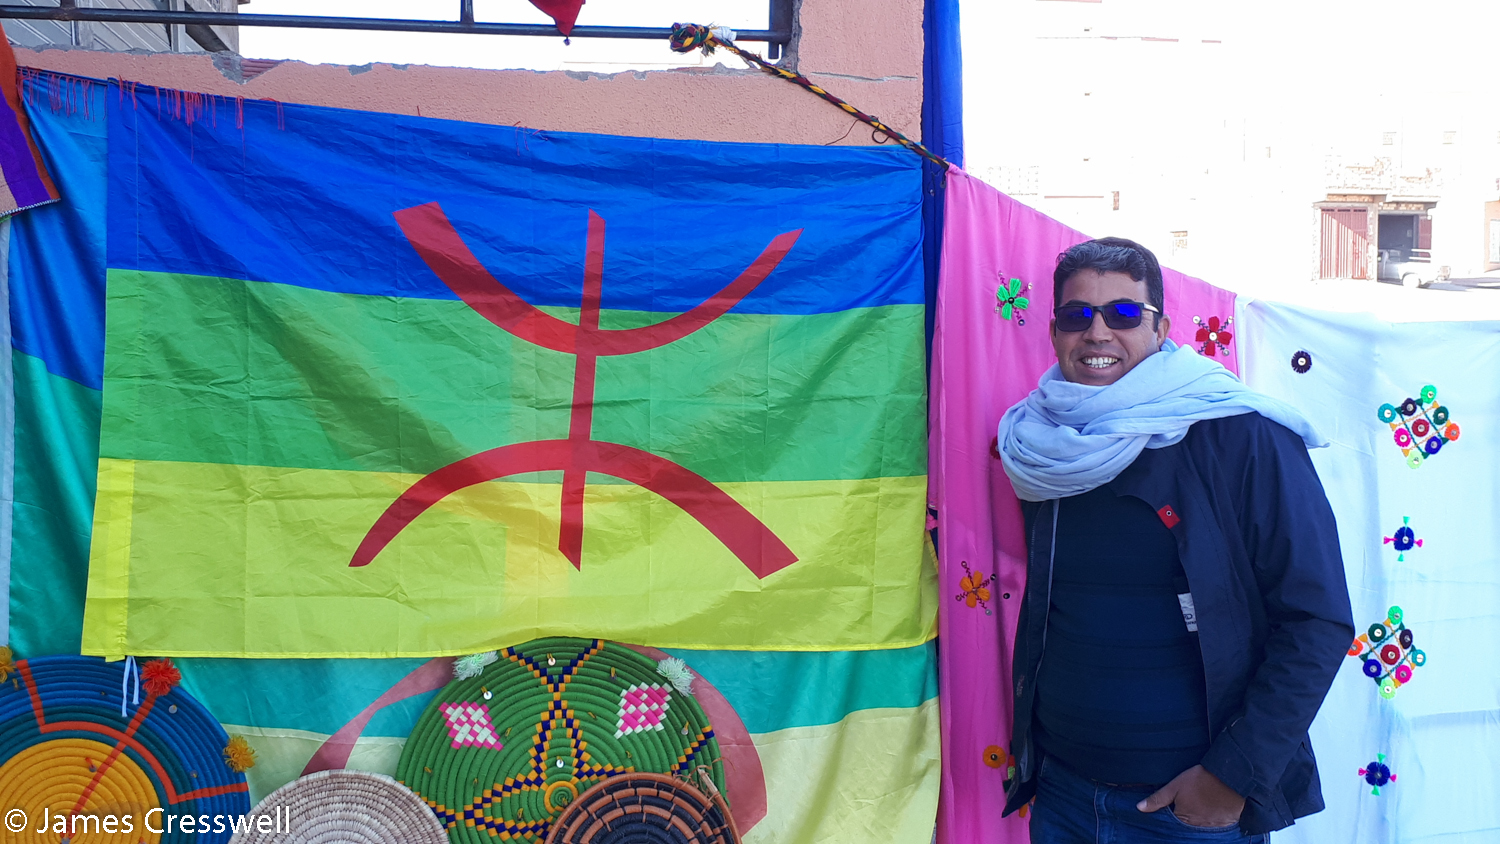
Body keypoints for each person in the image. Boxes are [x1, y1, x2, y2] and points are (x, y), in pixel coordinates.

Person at [995, 238, 1354, 843]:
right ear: (1055, 332)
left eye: (1124, 314)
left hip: (1189, 810)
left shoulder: (1243, 437)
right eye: (1077, 315)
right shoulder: (1042, 443)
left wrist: (1230, 778)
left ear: (1160, 328)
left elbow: (1316, 620)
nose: (1099, 332)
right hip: (1062, 795)